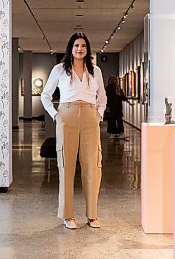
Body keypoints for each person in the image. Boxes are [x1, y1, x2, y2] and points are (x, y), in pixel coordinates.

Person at [41, 32, 107, 230]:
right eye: (76, 45)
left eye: (83, 46)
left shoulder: (95, 70)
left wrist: (99, 115)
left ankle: (92, 215)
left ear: (88, 49)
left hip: (89, 116)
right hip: (66, 116)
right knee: (66, 166)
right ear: (70, 48)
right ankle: (68, 215)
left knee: (92, 167)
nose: (80, 49)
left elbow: (102, 97)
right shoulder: (59, 69)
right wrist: (55, 115)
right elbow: (45, 95)